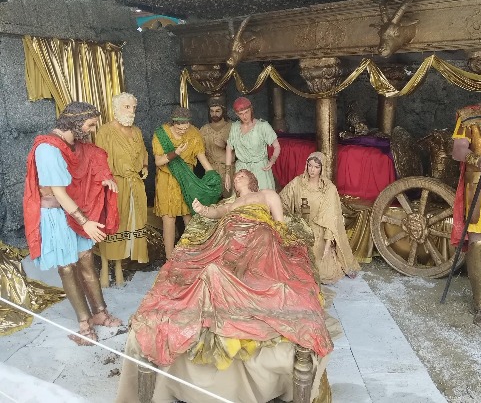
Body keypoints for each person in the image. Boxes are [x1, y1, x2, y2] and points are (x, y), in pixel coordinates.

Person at [116, 169, 334, 403]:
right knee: (217, 261)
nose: (238, 178)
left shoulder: (266, 194)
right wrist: (202, 210)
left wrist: (284, 242)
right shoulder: (231, 204)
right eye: (236, 176)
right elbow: (215, 213)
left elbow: (279, 223)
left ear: (252, 180)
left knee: (263, 240)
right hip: (228, 233)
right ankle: (226, 284)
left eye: (242, 175)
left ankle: (247, 287)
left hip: (259, 231)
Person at [23, 102, 122, 345]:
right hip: (57, 215)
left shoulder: (74, 145)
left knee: (86, 259)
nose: (92, 130)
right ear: (76, 123)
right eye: (90, 125)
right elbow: (58, 193)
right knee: (67, 268)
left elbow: (93, 158)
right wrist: (85, 222)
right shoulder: (48, 149)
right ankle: (84, 323)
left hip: (75, 209)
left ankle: (99, 312)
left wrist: (104, 177)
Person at [452, 42, 481, 328]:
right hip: (480, 186)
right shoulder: (468, 115)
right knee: (479, 243)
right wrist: (475, 159)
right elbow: (458, 149)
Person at [280, 151, 360, 284]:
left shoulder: (328, 189)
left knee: (323, 273)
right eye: (310, 165)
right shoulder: (297, 182)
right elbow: (282, 200)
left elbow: (331, 217)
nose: (312, 170)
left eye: (316, 167)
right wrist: (291, 221)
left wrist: (327, 242)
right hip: (300, 228)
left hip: (319, 231)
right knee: (292, 268)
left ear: (322, 168)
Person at [95, 93, 149, 287]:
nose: (131, 111)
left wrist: (145, 166)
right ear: (116, 109)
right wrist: (106, 181)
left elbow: (144, 152)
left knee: (128, 224)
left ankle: (119, 267)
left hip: (134, 185)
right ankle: (104, 266)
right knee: (112, 225)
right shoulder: (105, 132)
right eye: (127, 107)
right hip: (114, 185)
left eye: (133, 107)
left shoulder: (137, 131)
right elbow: (99, 159)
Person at [153, 106, 219, 259]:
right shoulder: (161, 134)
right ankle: (169, 259)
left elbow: (202, 158)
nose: (183, 131)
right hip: (166, 180)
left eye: (186, 127)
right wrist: (175, 153)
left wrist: (213, 176)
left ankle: (192, 256)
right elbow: (158, 161)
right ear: (173, 123)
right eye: (179, 128)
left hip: (188, 180)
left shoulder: (194, 134)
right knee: (169, 219)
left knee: (189, 216)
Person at [225, 96, 280, 192]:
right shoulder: (235, 127)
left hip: (260, 168)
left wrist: (272, 161)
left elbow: (277, 146)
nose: (244, 116)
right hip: (242, 169)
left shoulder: (262, 126)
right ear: (236, 114)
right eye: (241, 114)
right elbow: (229, 148)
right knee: (243, 198)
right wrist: (227, 174)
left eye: (246, 112)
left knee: (262, 197)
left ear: (251, 109)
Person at [199, 94, 234, 197]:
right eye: (212, 111)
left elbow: (242, 148)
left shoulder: (232, 127)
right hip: (211, 170)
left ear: (223, 111)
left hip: (229, 171)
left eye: (217, 111)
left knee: (229, 200)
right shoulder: (204, 129)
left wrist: (225, 145)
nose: (214, 114)